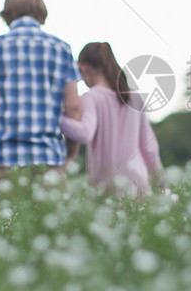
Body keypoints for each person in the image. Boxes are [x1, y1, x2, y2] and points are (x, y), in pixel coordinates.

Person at [0, 0, 81, 184]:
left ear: (7, 15)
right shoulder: (62, 49)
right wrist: (69, 155)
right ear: (41, 14)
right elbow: (73, 108)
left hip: (0, 161)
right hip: (49, 162)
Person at [60, 42, 166, 198]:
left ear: (83, 69)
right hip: (139, 185)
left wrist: (56, 119)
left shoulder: (91, 97)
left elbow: (84, 133)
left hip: (107, 189)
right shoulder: (134, 96)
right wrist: (161, 184)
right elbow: (149, 147)